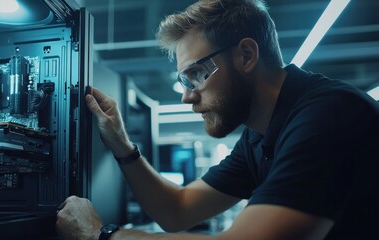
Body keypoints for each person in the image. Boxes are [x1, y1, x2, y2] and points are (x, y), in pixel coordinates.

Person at [56, 0, 379, 239]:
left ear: (246, 56)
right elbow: (178, 209)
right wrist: (122, 145)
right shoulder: (257, 136)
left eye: (196, 74)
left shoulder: (327, 116)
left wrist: (101, 234)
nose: (187, 95)